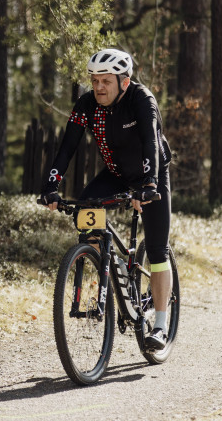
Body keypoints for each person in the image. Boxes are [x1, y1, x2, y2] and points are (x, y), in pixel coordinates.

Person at [38, 48, 173, 351]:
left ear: (124, 82)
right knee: (86, 211)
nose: (98, 87)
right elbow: (67, 147)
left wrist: (149, 184)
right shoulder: (87, 104)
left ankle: (161, 325)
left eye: (106, 81)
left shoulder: (141, 99)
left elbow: (151, 140)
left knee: (156, 248)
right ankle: (111, 271)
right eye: (95, 80)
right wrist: (51, 185)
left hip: (152, 173)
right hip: (116, 173)